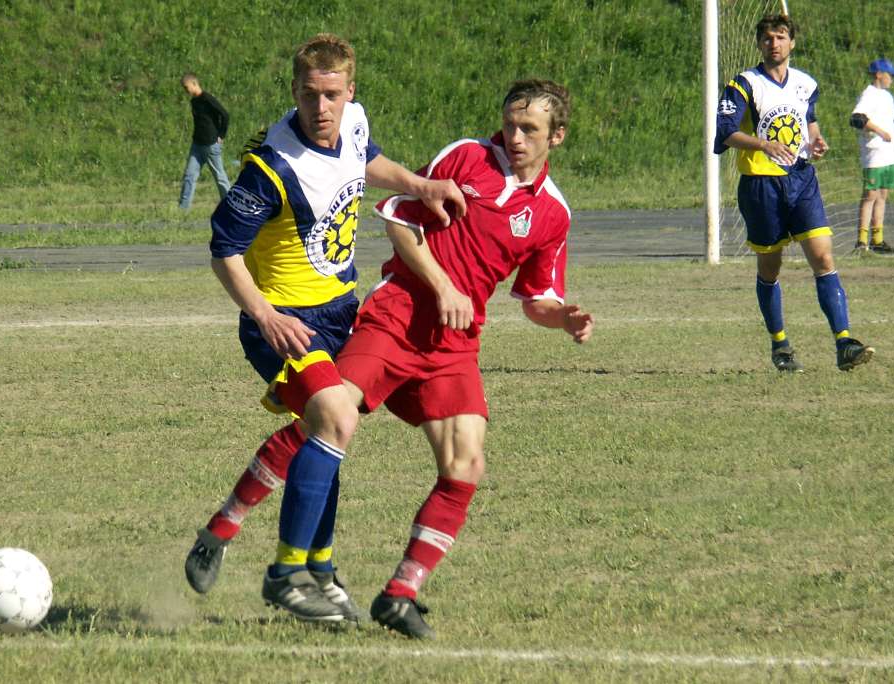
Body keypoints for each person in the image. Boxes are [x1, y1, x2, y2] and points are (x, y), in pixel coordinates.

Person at [183, 34, 465, 624]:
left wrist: (421, 184)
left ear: (350, 92)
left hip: (342, 312)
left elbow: (367, 159)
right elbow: (222, 252)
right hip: (284, 322)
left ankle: (307, 563)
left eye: (332, 95)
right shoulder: (271, 167)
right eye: (310, 95)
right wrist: (264, 315)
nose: (322, 108)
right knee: (333, 419)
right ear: (294, 92)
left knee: (325, 437)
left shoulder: (354, 123)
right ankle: (288, 574)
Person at [328, 78, 593, 639]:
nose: (515, 137)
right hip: (399, 311)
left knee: (467, 466)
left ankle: (401, 593)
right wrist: (445, 287)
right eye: (510, 124)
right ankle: (258, 544)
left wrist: (562, 317)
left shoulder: (553, 213)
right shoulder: (468, 157)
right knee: (330, 415)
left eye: (530, 130)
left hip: (454, 342)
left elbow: (535, 299)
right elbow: (399, 218)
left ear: (558, 137)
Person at [714, 14, 874, 373]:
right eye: (768, 38)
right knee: (770, 268)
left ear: (792, 43)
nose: (775, 44)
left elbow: (809, 120)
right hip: (761, 186)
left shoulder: (805, 84)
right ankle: (780, 344)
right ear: (759, 44)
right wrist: (762, 144)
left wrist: (816, 140)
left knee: (823, 258)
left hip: (802, 180)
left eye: (781, 37)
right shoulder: (743, 85)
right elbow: (725, 131)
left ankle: (844, 342)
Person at [851, 58, 894, 254]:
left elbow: (893, 120)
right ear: (879, 74)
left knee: (883, 195)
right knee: (870, 195)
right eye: (890, 75)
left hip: (890, 155)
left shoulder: (887, 96)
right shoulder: (869, 94)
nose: (892, 80)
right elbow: (857, 119)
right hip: (875, 154)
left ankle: (878, 240)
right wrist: (880, 132)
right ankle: (861, 241)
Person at [178, 73, 232, 209]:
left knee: (219, 177)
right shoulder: (193, 102)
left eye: (186, 87)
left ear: (194, 84)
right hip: (197, 145)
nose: (186, 91)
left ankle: (231, 205)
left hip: (211, 145)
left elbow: (224, 115)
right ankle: (183, 207)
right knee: (189, 175)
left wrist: (221, 134)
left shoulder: (207, 99)